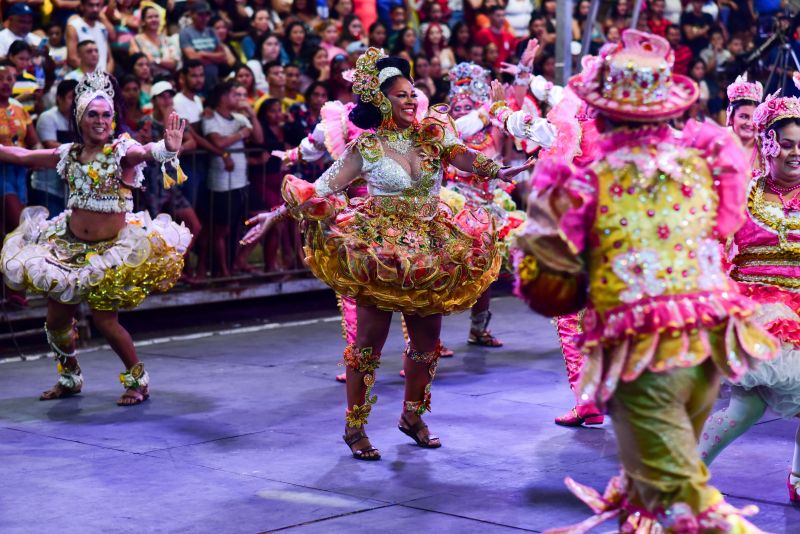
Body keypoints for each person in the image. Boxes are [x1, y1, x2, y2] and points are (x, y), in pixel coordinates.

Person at [514, 30, 777, 529]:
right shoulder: (699, 166)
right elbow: (730, 227)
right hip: (706, 353)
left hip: (647, 359)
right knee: (648, 495)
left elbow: (550, 293)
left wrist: (539, 223)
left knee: (688, 501)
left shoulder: (589, 184)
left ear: (602, 114)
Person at [243, 48, 535, 461]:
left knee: (427, 342)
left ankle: (412, 416)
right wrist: (275, 214)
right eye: (401, 95)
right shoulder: (367, 148)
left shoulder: (433, 133)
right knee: (368, 343)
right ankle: (355, 425)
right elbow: (321, 187)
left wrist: (497, 170)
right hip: (381, 252)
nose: (412, 99)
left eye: (413, 92)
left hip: (432, 248)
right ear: (381, 101)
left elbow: (462, 155)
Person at [0, 71, 191, 406]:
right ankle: (69, 376)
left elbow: (144, 152)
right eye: (93, 114)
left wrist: (165, 149)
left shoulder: (121, 150)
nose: (100, 120)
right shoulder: (69, 154)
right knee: (56, 321)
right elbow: (21, 156)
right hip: (67, 250)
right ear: (80, 118)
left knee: (105, 320)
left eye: (106, 114)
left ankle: (137, 380)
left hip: (109, 253)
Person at [699, 87, 800, 504]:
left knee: (755, 411)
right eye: (788, 143)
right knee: (745, 411)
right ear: (768, 143)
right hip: (759, 313)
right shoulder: (742, 192)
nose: (797, 152)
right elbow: (710, 246)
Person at [198, 80, 264, 278]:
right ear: (223, 97)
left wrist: (251, 115)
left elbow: (259, 138)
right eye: (234, 94)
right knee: (221, 230)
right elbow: (218, 141)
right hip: (221, 184)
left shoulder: (238, 117)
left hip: (241, 182)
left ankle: (235, 262)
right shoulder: (210, 118)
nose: (238, 98)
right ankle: (224, 272)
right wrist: (241, 133)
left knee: (253, 220)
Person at [30, 79, 79, 217]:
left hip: (68, 190)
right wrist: (82, 149)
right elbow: (50, 144)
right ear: (59, 99)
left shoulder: (79, 121)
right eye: (71, 98)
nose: (75, 102)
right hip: (46, 187)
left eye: (78, 98)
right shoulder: (48, 117)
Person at [179, 1, 228, 93]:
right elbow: (193, 58)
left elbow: (223, 56)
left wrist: (203, 54)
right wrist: (214, 57)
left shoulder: (212, 32)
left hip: (213, 81)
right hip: (194, 85)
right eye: (200, 15)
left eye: (207, 15)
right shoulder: (185, 33)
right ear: (192, 15)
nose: (204, 18)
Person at [129, 4, 180, 77]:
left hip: (169, 78)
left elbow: (174, 63)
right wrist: (164, 62)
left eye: (156, 16)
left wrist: (155, 61)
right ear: (143, 21)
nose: (154, 19)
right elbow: (140, 64)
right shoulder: (136, 40)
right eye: (150, 17)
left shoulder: (166, 40)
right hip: (149, 79)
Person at [726, 74, 762, 173]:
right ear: (731, 117)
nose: (750, 123)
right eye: (743, 116)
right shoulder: (718, 142)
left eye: (755, 118)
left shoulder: (765, 149)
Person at [66, 0, 114, 74]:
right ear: (82, 6)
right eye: (91, 5)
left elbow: (109, 59)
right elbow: (72, 58)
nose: (95, 9)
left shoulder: (102, 28)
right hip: (82, 79)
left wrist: (105, 76)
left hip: (102, 80)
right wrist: (92, 76)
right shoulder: (74, 26)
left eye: (97, 5)